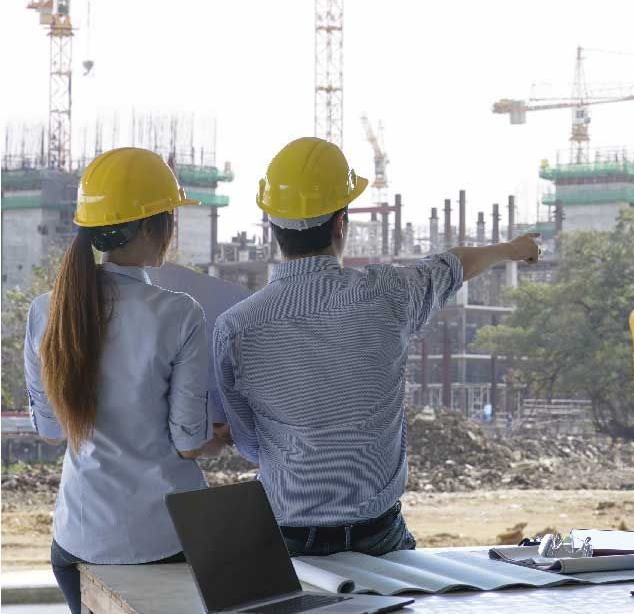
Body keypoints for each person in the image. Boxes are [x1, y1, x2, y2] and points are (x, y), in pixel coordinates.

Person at [214, 137, 540, 557]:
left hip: (286, 539)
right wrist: (513, 249)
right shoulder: (389, 293)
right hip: (378, 537)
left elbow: (251, 446)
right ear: (341, 223)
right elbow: (454, 264)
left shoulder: (235, 327)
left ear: (272, 225)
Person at [23, 148, 223, 614]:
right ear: (154, 226)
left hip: (79, 541)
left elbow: (50, 431)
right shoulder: (179, 313)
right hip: (166, 542)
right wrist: (218, 439)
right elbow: (187, 443)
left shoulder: (45, 310)